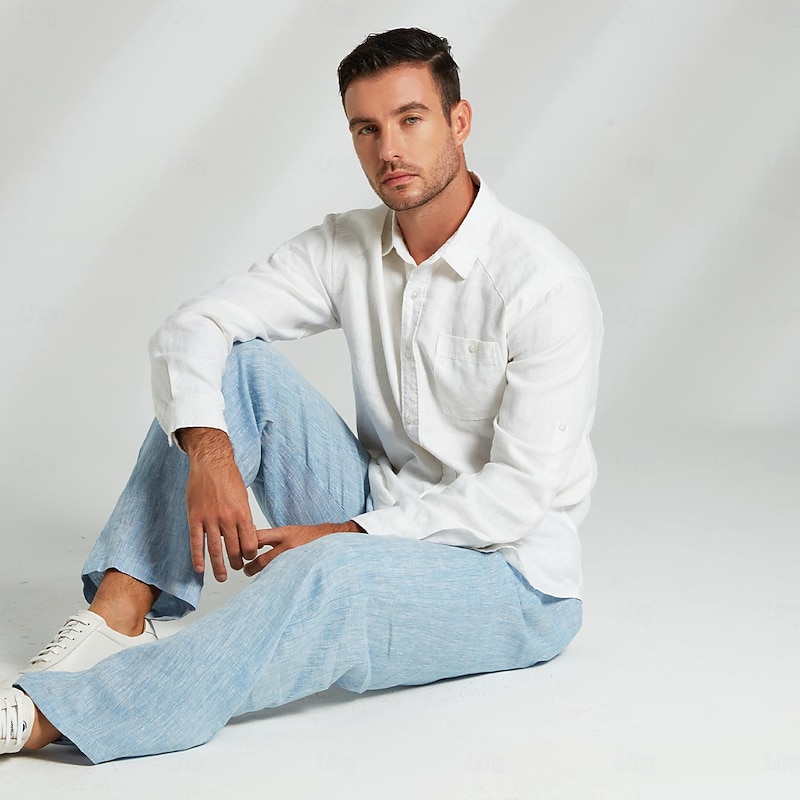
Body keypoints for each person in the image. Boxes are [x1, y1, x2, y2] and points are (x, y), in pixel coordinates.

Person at [1, 27, 602, 762]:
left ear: (459, 121)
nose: (389, 149)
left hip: (511, 577)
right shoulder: (349, 244)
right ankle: (116, 619)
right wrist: (210, 452)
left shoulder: (543, 284)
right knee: (235, 369)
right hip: (380, 504)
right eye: (367, 128)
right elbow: (195, 326)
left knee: (335, 574)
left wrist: (346, 535)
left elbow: (517, 498)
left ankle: (56, 716)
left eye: (411, 119)